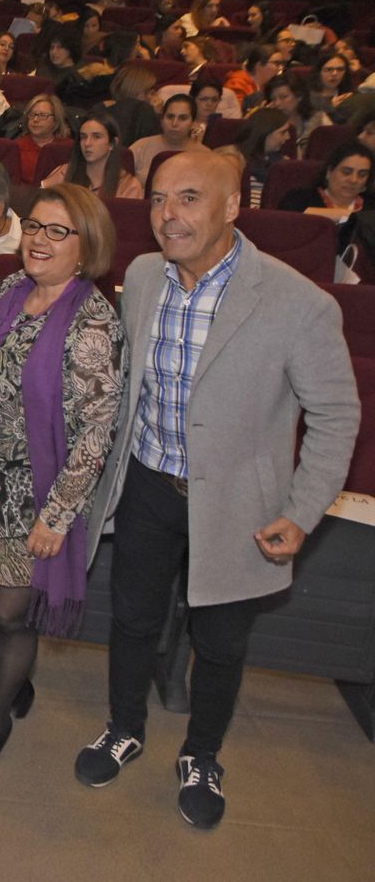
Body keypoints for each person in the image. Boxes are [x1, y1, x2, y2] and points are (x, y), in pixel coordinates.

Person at [72, 148, 358, 829]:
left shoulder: (298, 302)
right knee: (132, 618)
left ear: (233, 206)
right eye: (159, 198)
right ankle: (124, 726)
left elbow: (337, 415)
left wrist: (302, 510)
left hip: (238, 504)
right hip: (148, 483)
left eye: (189, 198)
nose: (168, 214)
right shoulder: (145, 276)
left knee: (222, 640)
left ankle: (202, 753)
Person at [0, 184, 125, 778]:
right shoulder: (14, 289)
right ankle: (10, 687)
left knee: (8, 614)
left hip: (35, 493)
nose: (40, 240)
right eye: (36, 227)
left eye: (58, 231)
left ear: (86, 245)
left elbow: (95, 436)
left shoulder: (92, 325)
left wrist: (57, 516)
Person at [278, 141, 374, 262]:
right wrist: (354, 218)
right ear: (329, 172)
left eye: (362, 175)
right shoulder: (298, 199)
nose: (354, 180)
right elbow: (285, 233)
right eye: (346, 172)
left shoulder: (371, 207)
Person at [43, 112, 143, 199]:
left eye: (96, 137)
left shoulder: (129, 186)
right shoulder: (64, 172)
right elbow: (40, 201)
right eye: (83, 137)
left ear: (113, 143)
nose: (87, 143)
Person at [214, 108, 291, 208]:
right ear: (265, 132)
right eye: (283, 132)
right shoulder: (230, 158)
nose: (288, 137)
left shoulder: (283, 163)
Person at [129, 93, 199, 186]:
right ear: (161, 120)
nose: (174, 123)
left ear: (193, 123)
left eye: (183, 118)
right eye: (170, 117)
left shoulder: (205, 155)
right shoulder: (140, 147)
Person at [15, 93, 71, 183]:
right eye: (32, 114)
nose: (35, 119)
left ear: (56, 120)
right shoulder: (17, 147)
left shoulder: (68, 147)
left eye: (42, 115)